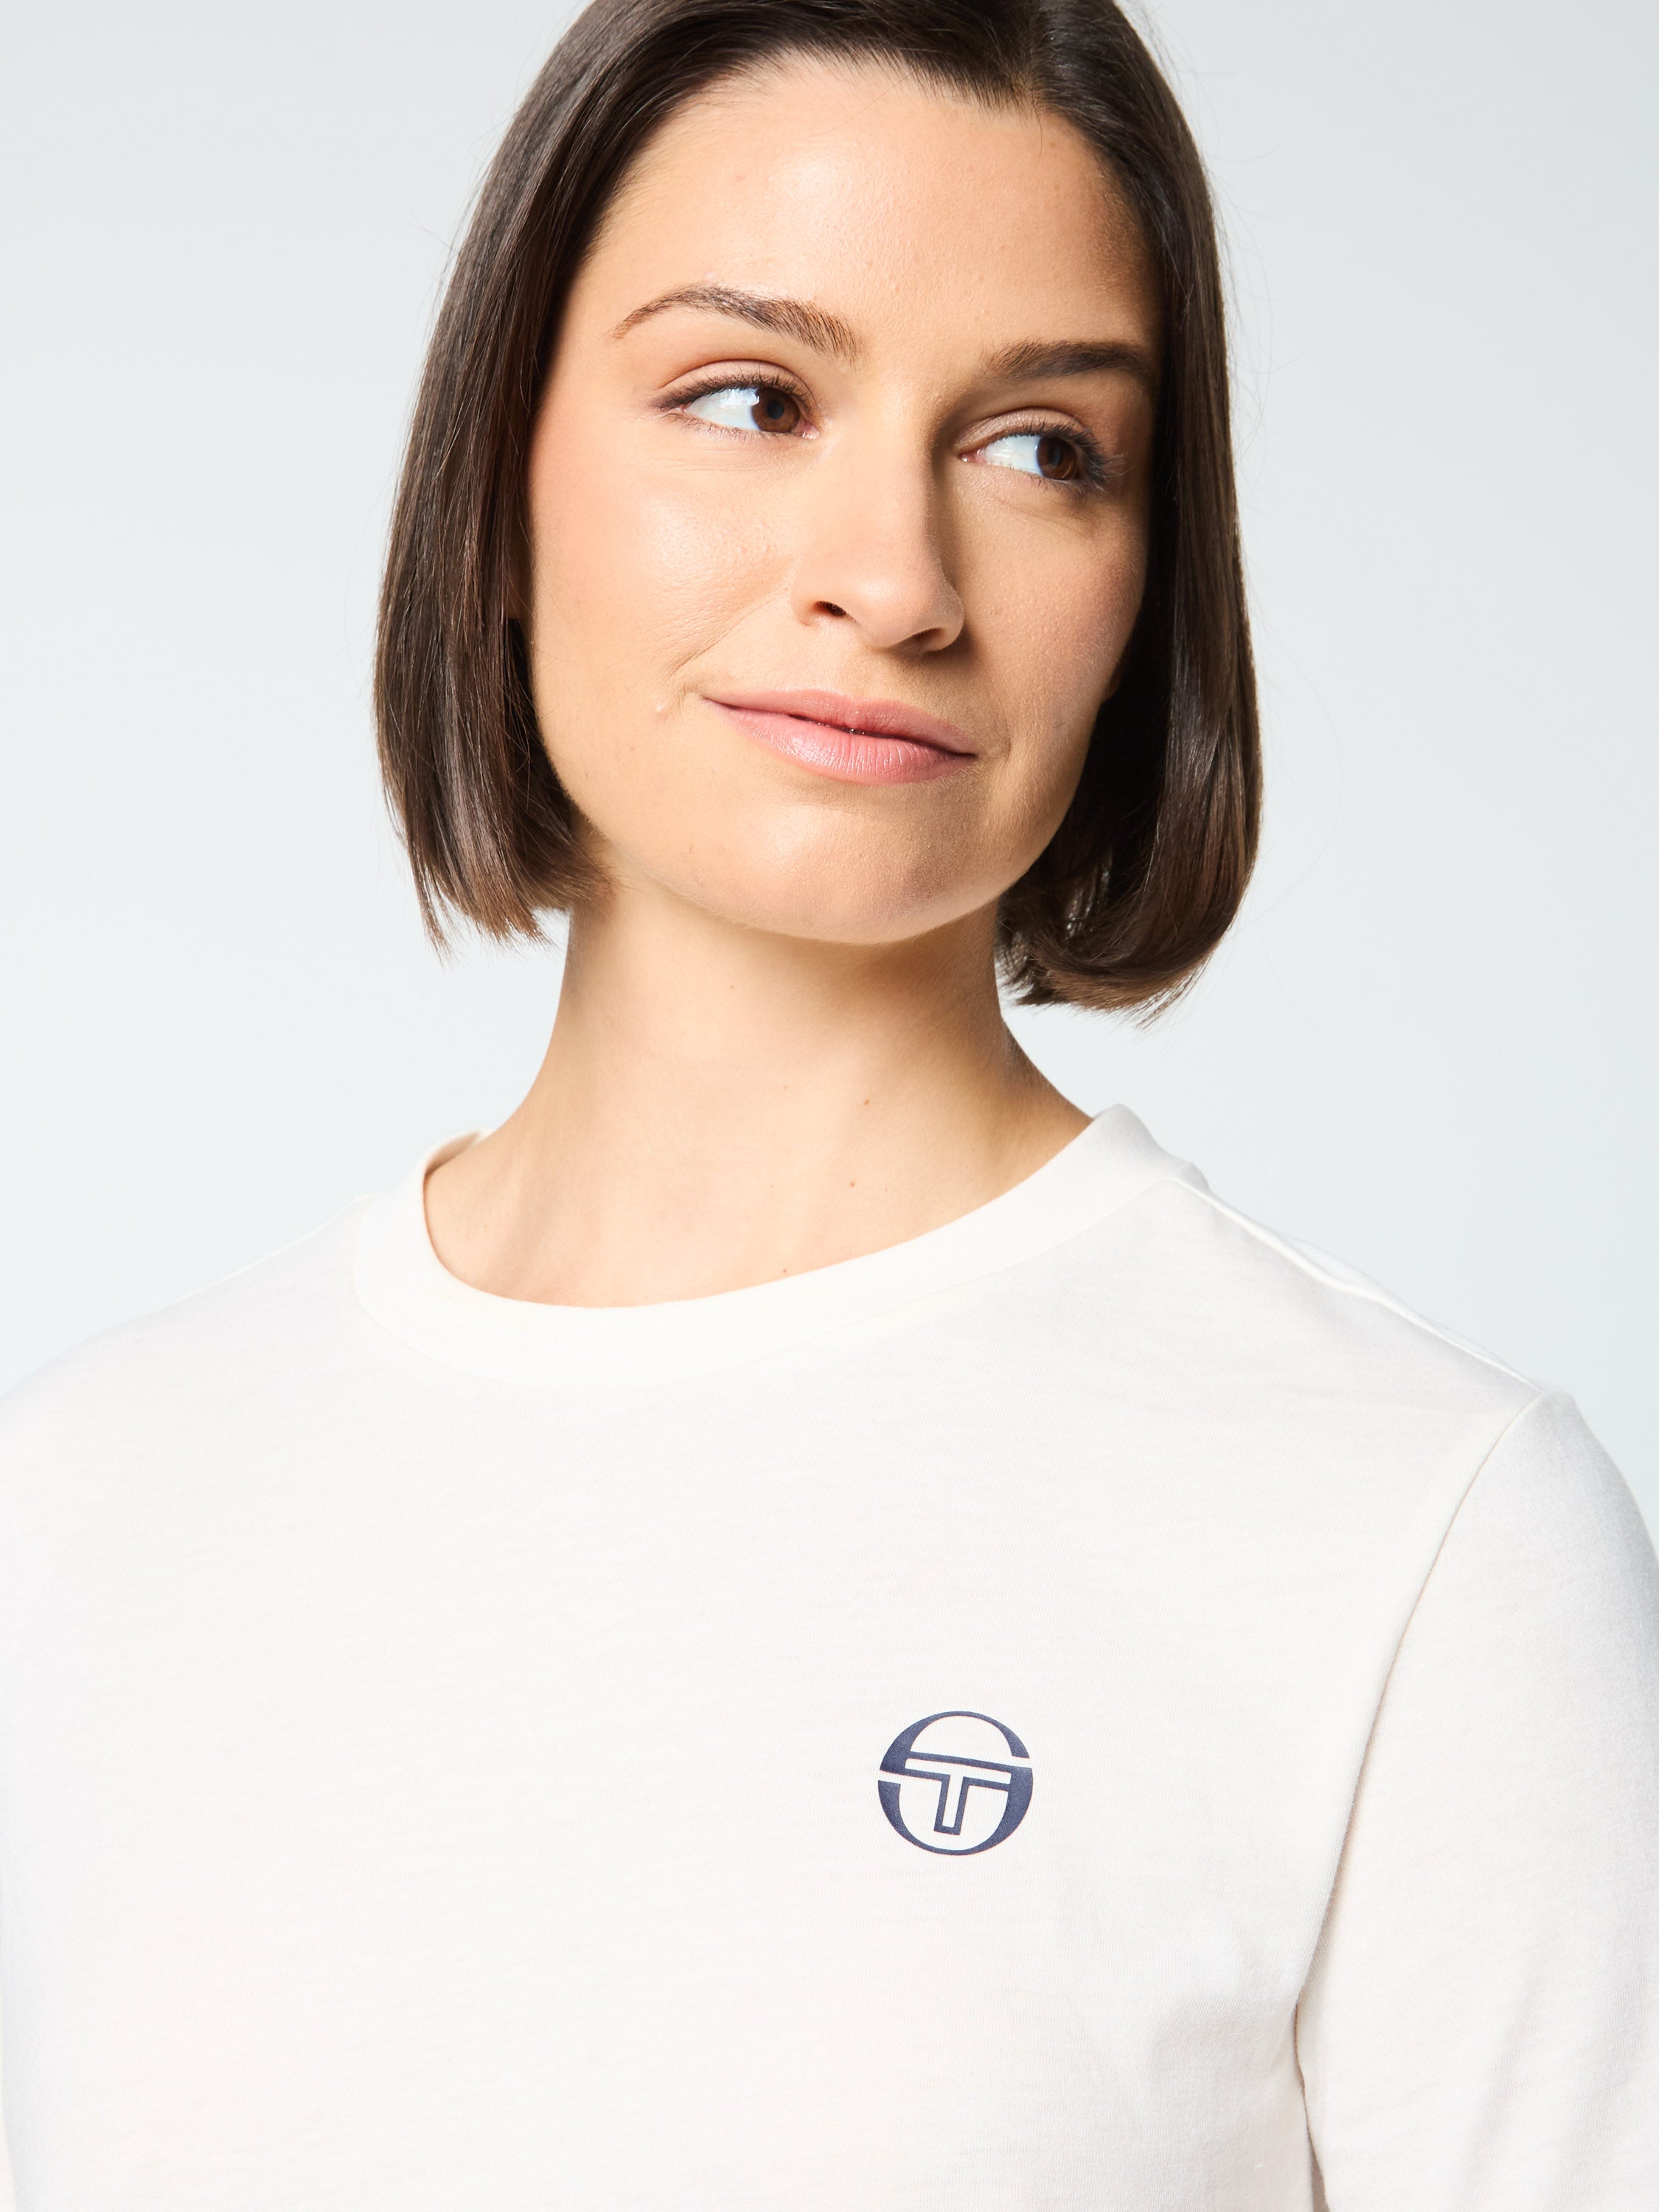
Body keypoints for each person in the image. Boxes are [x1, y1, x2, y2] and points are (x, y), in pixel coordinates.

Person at [0, 0, 1654, 2203]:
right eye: (749, 398)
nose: (891, 578)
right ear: (500, 468)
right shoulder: (76, 1507)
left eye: (1041, 448)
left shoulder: (1416, 1530)